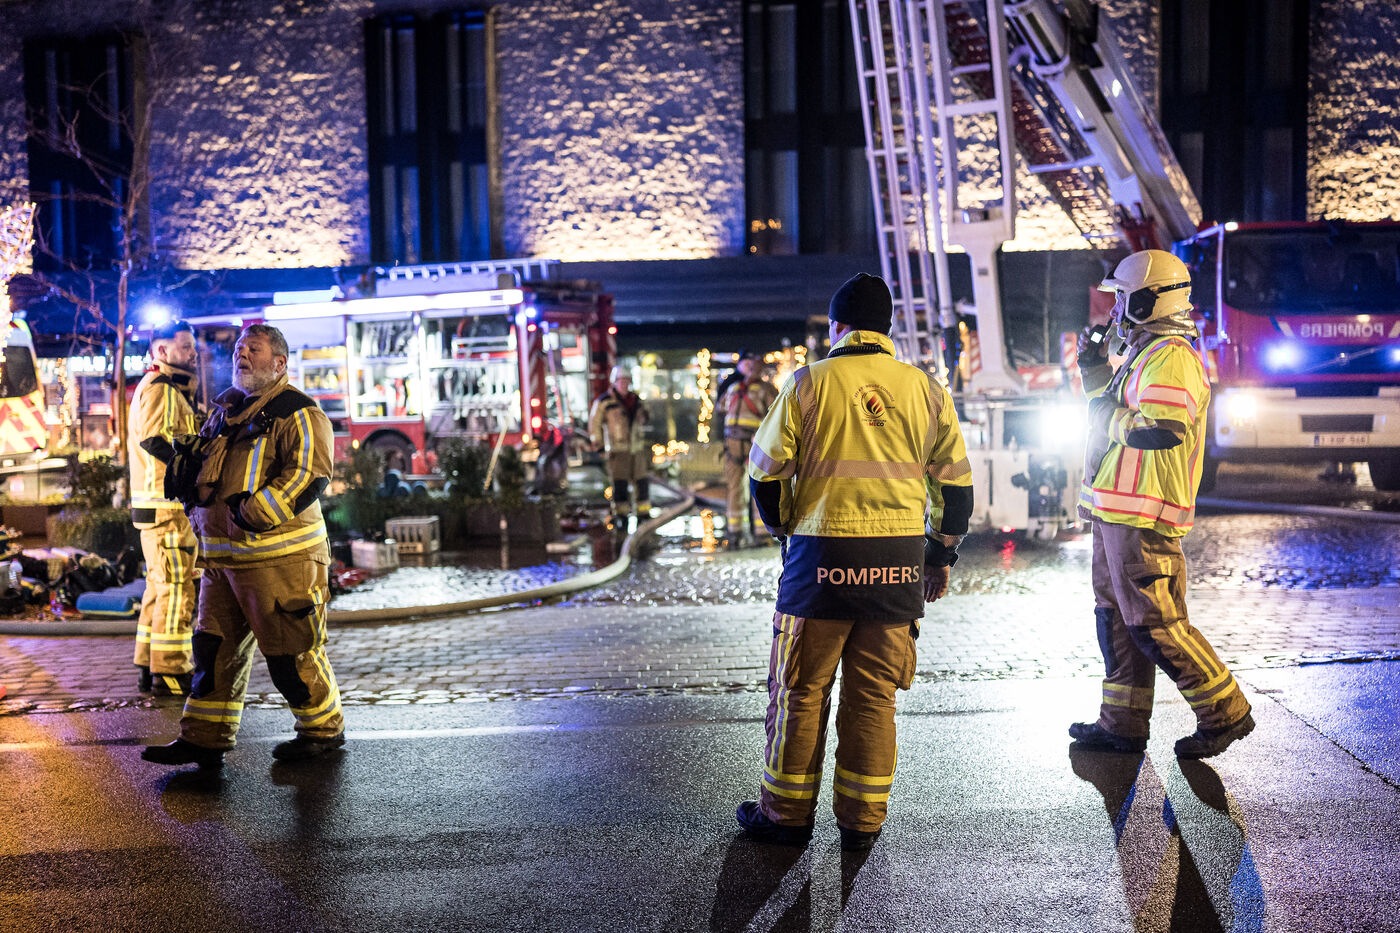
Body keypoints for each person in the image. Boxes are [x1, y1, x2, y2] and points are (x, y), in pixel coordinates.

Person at [734, 273, 974, 851]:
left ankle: (786, 816)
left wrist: (784, 531)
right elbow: (957, 489)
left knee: (800, 691)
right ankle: (862, 820)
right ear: (887, 327)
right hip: (897, 567)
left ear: (837, 326)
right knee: (873, 698)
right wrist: (939, 554)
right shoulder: (926, 390)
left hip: (820, 561)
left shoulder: (808, 383)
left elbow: (764, 473)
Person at [1069, 249, 1253, 760]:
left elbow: (1159, 430)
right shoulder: (1144, 353)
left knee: (1156, 625)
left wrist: (1105, 415)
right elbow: (1108, 409)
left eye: (1122, 299)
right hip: (1116, 511)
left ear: (1148, 301)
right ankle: (1121, 724)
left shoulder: (1171, 357)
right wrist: (1093, 368)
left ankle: (1226, 712)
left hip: (1144, 515)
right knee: (1116, 621)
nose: (1114, 310)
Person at [142, 324, 344, 769]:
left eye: (254, 348)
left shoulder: (298, 411)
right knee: (213, 652)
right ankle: (203, 737)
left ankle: (322, 729)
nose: (242, 354)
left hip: (281, 562)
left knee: (291, 653)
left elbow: (309, 473)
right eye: (238, 348)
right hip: (222, 563)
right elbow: (209, 472)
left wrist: (254, 513)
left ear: (280, 363)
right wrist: (190, 485)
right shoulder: (224, 414)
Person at [128, 321, 201, 696]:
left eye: (193, 346)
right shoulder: (162, 388)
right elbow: (155, 440)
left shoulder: (155, 385)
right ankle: (171, 671)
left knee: (159, 588)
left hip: (154, 507)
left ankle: (148, 663)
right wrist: (191, 473)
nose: (193, 353)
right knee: (177, 589)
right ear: (161, 351)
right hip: (168, 508)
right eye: (185, 346)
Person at [717, 351, 778, 547]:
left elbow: (721, 408)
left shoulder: (748, 388)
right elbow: (721, 408)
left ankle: (753, 533)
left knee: (750, 487)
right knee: (743, 487)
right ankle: (742, 532)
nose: (753, 369)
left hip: (747, 443)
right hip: (740, 444)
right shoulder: (740, 388)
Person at [587, 366, 651, 520]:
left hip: (636, 449)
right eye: (621, 381)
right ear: (614, 382)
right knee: (620, 484)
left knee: (642, 482)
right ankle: (621, 516)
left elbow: (646, 417)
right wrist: (599, 446)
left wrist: (644, 414)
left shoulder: (636, 400)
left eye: (626, 381)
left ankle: (643, 514)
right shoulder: (605, 401)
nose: (624, 384)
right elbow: (594, 424)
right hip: (617, 450)